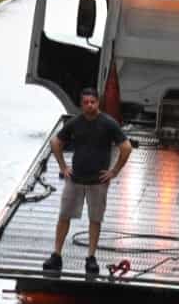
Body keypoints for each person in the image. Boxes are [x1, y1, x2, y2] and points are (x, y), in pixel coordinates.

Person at [42, 87, 133, 275]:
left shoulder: (109, 123)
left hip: (98, 181)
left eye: (93, 102)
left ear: (98, 103)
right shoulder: (75, 123)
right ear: (81, 104)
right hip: (75, 179)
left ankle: (91, 258)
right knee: (64, 216)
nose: (89, 105)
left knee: (95, 219)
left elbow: (126, 148)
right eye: (86, 102)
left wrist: (114, 171)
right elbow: (55, 143)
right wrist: (63, 167)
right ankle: (56, 255)